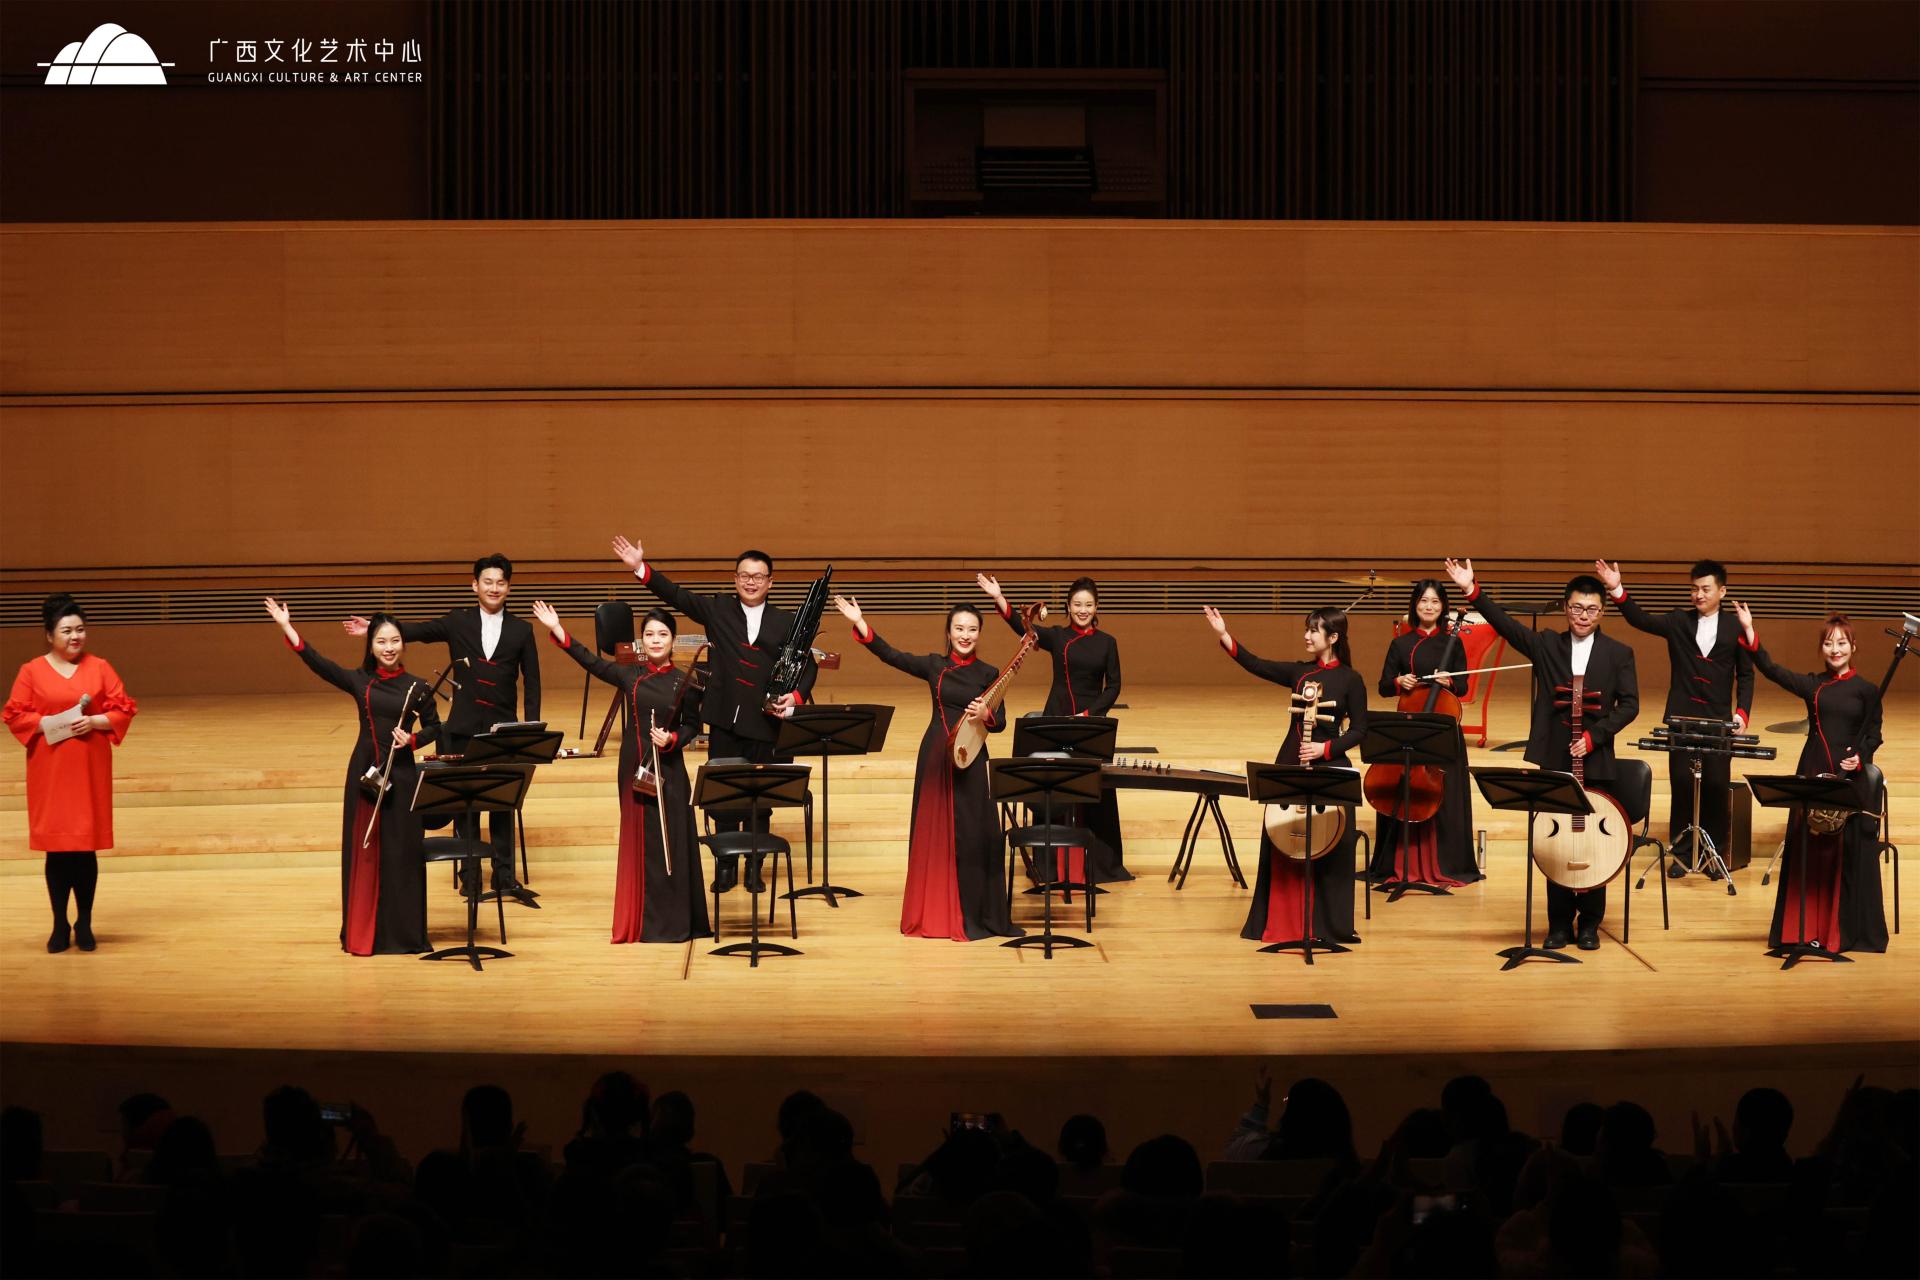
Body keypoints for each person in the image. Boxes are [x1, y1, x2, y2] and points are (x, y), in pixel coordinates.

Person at [1443, 559, 1639, 951]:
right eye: (1576, 607)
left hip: (1596, 758)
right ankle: (1559, 924)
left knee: (1593, 842)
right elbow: (1506, 625)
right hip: (1556, 757)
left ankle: (1590, 924)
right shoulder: (1548, 644)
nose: (1583, 615)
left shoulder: (1619, 653)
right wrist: (1471, 589)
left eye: (1592, 609)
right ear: (1566, 608)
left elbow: (1630, 704)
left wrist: (1595, 737)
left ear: (1602, 612)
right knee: (1556, 841)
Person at [345, 553, 541, 900]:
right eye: (487, 581)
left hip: (503, 728)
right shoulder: (457, 620)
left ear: (509, 588)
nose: (494, 588)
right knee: (466, 803)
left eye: (500, 582)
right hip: (463, 727)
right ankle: (470, 876)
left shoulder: (522, 629)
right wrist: (375, 628)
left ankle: (504, 875)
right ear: (475, 585)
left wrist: (529, 727)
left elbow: (533, 680)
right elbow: (420, 631)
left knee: (502, 802)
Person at [832, 594, 1022, 941]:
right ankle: (935, 913)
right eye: (959, 629)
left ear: (979, 633)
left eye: (972, 629)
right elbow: (892, 655)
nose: (965, 635)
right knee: (934, 834)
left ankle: (974, 914)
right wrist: (860, 622)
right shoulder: (935, 665)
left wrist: (987, 714)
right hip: (936, 755)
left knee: (975, 834)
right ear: (949, 632)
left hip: (972, 756)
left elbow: (1001, 722)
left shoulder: (989, 673)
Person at [531, 599, 710, 943]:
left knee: (673, 840)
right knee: (642, 841)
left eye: (662, 634)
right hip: (635, 768)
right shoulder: (630, 675)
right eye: (649, 634)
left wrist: (673, 738)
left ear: (673, 640)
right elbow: (591, 661)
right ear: (642, 641)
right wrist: (558, 630)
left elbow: (692, 725)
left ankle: (677, 922)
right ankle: (644, 922)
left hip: (670, 768)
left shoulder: (685, 681)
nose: (656, 640)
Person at [266, 597, 438, 955]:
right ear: (370, 646)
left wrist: (413, 740)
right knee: (366, 851)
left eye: (394, 641)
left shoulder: (418, 687)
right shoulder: (361, 681)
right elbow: (319, 664)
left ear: (403, 644)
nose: (389, 648)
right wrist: (286, 626)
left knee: (402, 854)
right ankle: (366, 934)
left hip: (403, 776)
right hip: (366, 775)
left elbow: (437, 727)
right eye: (381, 641)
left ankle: (405, 936)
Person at [612, 536, 816, 832]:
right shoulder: (718, 609)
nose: (750, 582)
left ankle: (757, 859)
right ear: (735, 579)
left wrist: (796, 696)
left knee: (761, 803)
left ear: (770, 582)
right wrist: (641, 567)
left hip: (765, 724)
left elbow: (808, 665)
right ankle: (725, 857)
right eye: (744, 575)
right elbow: (676, 595)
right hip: (724, 721)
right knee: (724, 798)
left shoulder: (786, 621)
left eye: (758, 577)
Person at [1204, 604, 1366, 948]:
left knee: (1332, 844)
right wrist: (1223, 634)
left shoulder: (1351, 680)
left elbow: (1360, 730)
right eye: (1307, 629)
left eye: (1313, 630)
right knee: (1284, 840)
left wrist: (1325, 749)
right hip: (1291, 761)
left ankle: (1328, 924)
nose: (1306, 635)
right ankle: (1282, 920)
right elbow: (1256, 664)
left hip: (1329, 765)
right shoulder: (1300, 674)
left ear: (1333, 638)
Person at [1737, 605, 1888, 954]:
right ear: (1822, 648)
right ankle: (1800, 931)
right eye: (1829, 643)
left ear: (1853, 647)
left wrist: (1861, 758)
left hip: (1847, 779)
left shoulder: (1867, 690)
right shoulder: (1813, 685)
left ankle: (1835, 932)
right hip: (1813, 771)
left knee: (1839, 855)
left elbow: (1874, 734)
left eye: (1842, 643)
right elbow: (1772, 670)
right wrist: (1750, 631)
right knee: (1809, 852)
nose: (1835, 650)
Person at [1595, 559, 1754, 876]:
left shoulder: (1737, 627)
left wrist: (1742, 713)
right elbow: (1640, 619)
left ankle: (1713, 856)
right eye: (1694, 589)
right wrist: (1616, 588)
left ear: (1722, 591)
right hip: (1681, 718)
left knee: (1716, 785)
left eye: (1705, 589)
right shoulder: (1678, 621)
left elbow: (1746, 675)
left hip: (1719, 721)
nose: (1698, 595)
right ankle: (1681, 853)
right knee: (1682, 784)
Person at [978, 572, 1131, 884]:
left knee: (1095, 789)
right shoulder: (1058, 636)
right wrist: (999, 598)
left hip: (1090, 724)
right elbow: (1024, 627)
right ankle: (1049, 868)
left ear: (1097, 607)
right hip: (1056, 720)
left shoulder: (1107, 643)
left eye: (1088, 604)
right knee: (1054, 788)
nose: (1083, 610)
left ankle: (1098, 866)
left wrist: (1089, 714)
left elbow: (1114, 686)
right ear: (1068, 606)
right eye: (1077, 604)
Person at [5, 593, 137, 953]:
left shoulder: (100, 667)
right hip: (50, 769)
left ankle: (85, 921)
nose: (75, 636)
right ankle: (60, 923)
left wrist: (95, 721)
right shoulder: (31, 671)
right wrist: (49, 722)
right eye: (66, 631)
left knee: (84, 849)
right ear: (50, 635)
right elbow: (15, 714)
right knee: (58, 849)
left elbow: (123, 708)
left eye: (80, 629)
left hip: (88, 767)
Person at [1371, 578, 1481, 886]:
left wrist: (1450, 682)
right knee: (1403, 789)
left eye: (1435, 601)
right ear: (1414, 605)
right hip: (1408, 726)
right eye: (1423, 601)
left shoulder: (1453, 642)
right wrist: (1399, 682)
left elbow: (1463, 686)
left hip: (1442, 728)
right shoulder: (1400, 644)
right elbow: (1383, 686)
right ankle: (1398, 861)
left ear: (1443, 606)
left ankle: (1446, 862)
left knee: (1444, 795)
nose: (1429, 607)